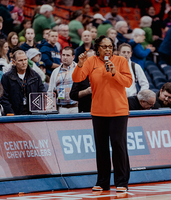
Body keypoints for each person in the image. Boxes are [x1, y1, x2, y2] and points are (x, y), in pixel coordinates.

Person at [72, 35, 132, 192]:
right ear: (97, 48)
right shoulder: (91, 62)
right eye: (104, 47)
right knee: (101, 147)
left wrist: (114, 73)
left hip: (118, 111)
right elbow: (77, 78)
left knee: (119, 146)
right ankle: (103, 182)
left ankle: (121, 182)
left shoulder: (120, 61)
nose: (108, 49)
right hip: (98, 111)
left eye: (110, 46)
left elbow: (128, 82)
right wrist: (79, 64)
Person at [0, 50, 45, 115]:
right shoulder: (6, 77)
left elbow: (42, 94)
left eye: (25, 59)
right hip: (14, 114)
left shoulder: (35, 76)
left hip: (33, 115)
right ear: (14, 62)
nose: (24, 62)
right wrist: (10, 113)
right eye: (20, 60)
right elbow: (3, 98)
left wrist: (38, 112)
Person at [48, 46, 77, 114]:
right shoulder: (55, 71)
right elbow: (50, 91)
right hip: (61, 108)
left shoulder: (78, 69)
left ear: (73, 57)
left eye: (68, 55)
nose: (65, 57)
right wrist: (49, 109)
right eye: (63, 55)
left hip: (75, 107)